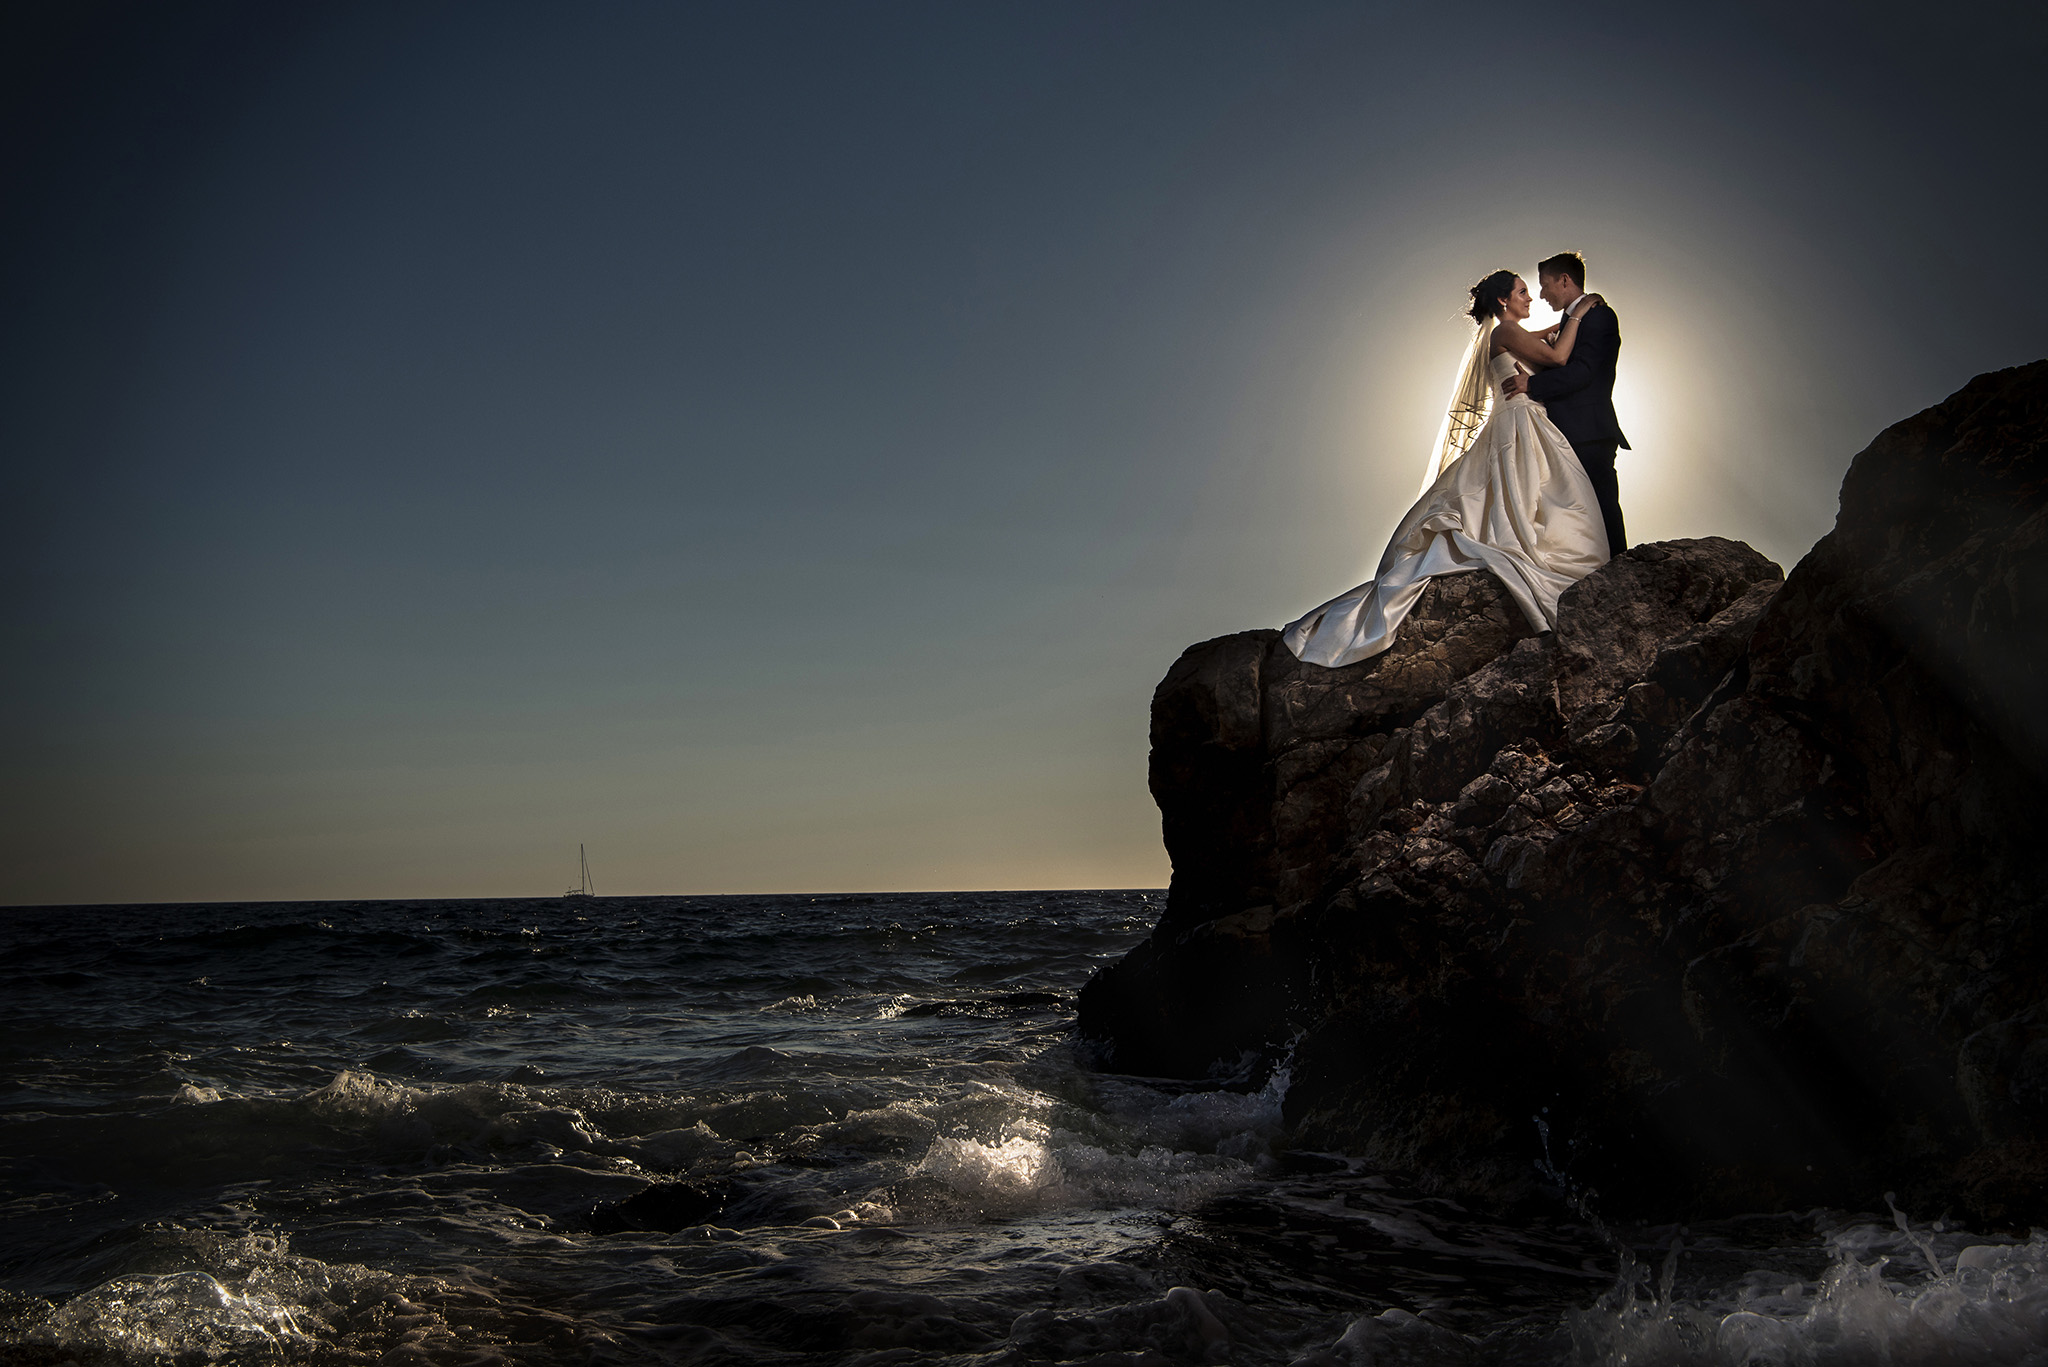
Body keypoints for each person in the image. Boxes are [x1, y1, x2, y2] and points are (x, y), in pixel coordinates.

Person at [1280, 268, 1612, 668]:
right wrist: (1578, 314)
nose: (1531, 297)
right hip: (1520, 424)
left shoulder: (1510, 334)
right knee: (1529, 503)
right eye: (1523, 292)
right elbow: (1558, 357)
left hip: (1528, 420)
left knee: (1534, 499)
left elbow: (1542, 342)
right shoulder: (1505, 333)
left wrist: (1560, 324)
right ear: (1503, 301)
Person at [1501, 251, 1629, 554]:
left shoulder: (1599, 316)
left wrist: (1531, 384)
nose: (1541, 294)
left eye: (1544, 285)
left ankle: (1622, 572)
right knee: (1574, 516)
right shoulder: (1570, 322)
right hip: (1562, 432)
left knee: (1602, 508)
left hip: (1588, 431)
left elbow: (1583, 372)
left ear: (1564, 280)